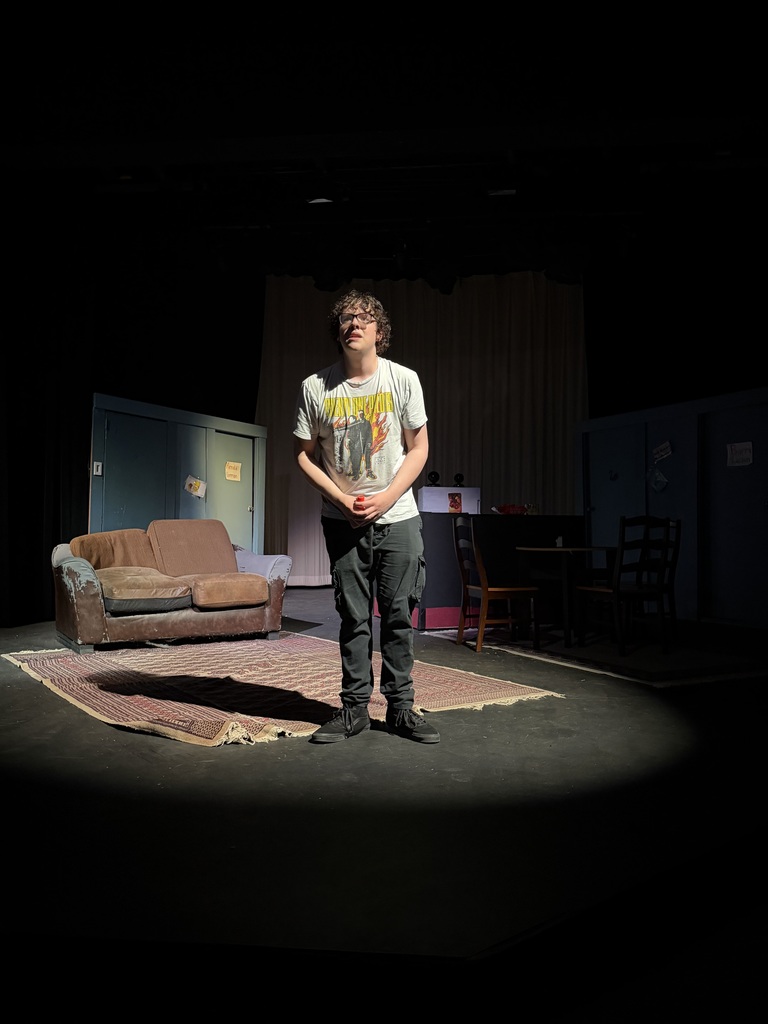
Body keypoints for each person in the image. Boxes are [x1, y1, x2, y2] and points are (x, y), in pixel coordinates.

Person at [293, 289, 439, 744]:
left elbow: (419, 448)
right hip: (343, 522)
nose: (353, 323)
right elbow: (303, 455)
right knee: (353, 618)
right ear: (337, 331)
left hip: (399, 518)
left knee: (398, 616)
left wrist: (388, 498)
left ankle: (401, 709)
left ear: (380, 331)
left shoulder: (403, 380)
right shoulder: (315, 387)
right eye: (346, 318)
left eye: (364, 317)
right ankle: (354, 710)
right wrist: (341, 499)